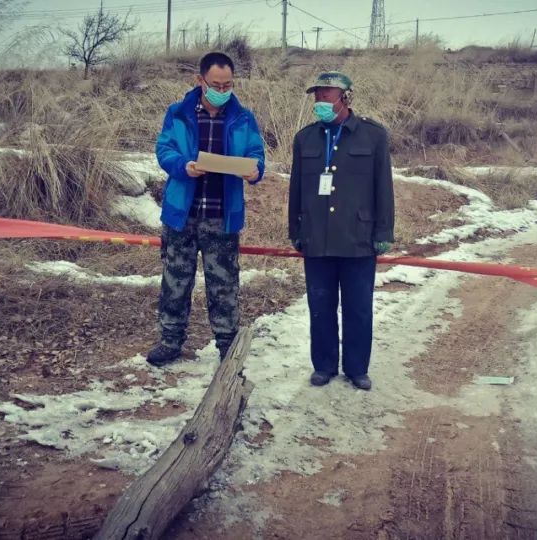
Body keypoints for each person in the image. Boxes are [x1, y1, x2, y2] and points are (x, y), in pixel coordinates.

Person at [146, 52, 266, 366]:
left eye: (228, 85)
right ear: (200, 81)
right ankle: (170, 341)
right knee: (175, 281)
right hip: (182, 214)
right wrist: (182, 166)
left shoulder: (243, 118)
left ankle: (228, 347)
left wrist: (255, 170)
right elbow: (164, 148)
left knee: (224, 285)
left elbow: (256, 153)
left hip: (221, 216)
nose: (222, 91)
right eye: (216, 85)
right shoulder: (178, 113)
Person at [287, 71, 394, 391]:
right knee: (320, 307)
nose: (319, 101)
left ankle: (357, 368)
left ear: (345, 98)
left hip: (358, 237)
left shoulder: (373, 136)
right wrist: (296, 228)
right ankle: (324, 365)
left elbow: (383, 187)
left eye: (326, 95)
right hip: (317, 237)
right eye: (317, 96)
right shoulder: (305, 138)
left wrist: (384, 231)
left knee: (358, 308)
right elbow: (296, 189)